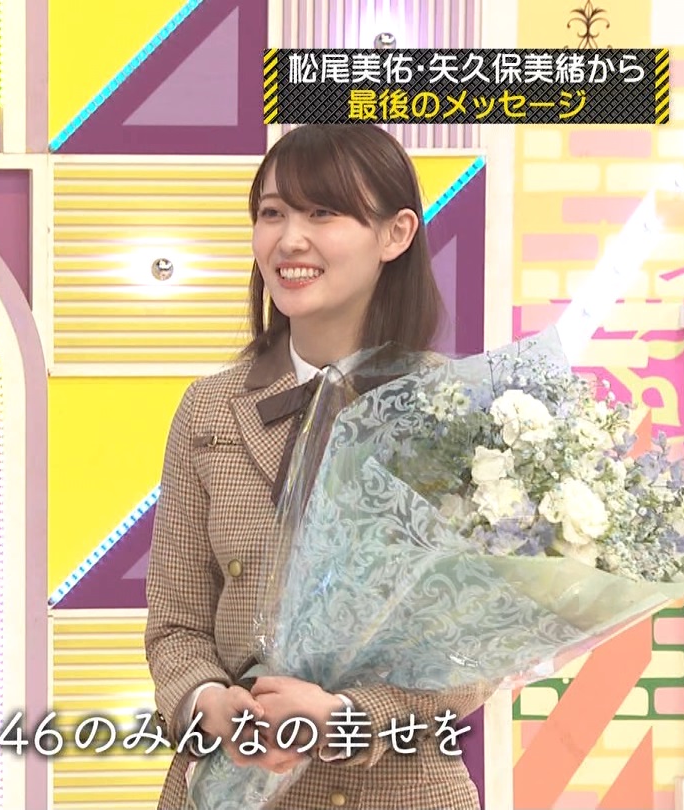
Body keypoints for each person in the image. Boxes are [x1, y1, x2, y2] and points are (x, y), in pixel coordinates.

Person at [143, 124, 487, 810]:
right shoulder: (209, 409)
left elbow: (477, 645)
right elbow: (175, 624)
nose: (289, 240)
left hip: (399, 791)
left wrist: (348, 716)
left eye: (323, 212)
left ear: (395, 234)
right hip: (231, 786)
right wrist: (208, 701)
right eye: (272, 213)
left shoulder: (455, 411)